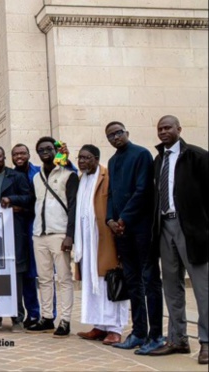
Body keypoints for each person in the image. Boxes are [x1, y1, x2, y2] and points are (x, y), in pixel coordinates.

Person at [148, 115, 208, 364]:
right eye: (160, 128)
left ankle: (206, 342)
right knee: (171, 286)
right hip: (165, 226)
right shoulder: (159, 159)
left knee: (203, 288)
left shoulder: (197, 156)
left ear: (179, 129)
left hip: (192, 229)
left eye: (167, 128)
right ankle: (177, 339)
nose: (163, 132)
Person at [104, 121, 163, 354]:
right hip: (121, 230)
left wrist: (124, 218)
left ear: (127, 133)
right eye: (111, 135)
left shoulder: (141, 154)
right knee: (132, 281)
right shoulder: (112, 160)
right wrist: (110, 219)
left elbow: (143, 191)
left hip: (140, 228)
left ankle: (156, 335)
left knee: (150, 280)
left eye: (119, 133)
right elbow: (111, 194)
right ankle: (139, 332)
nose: (116, 137)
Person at [73, 145, 128, 346]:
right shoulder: (82, 179)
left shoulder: (107, 176)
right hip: (87, 241)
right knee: (92, 282)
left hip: (104, 238)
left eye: (86, 158)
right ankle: (99, 325)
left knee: (109, 282)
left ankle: (114, 328)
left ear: (96, 159)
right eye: (79, 158)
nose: (82, 162)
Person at [26, 137, 78, 338]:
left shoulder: (68, 175)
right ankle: (47, 317)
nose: (45, 152)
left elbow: (72, 206)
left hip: (60, 234)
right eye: (41, 149)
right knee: (45, 278)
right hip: (39, 234)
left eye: (49, 148)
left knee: (64, 279)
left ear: (56, 151)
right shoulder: (36, 177)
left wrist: (70, 235)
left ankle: (65, 320)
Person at [0, 145, 33, 334]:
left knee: (15, 275)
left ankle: (17, 317)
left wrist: (11, 199)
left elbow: (29, 198)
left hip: (12, 233)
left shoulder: (15, 176)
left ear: (4, 158)